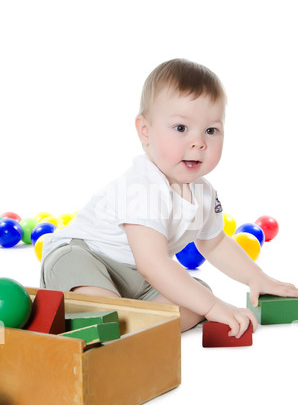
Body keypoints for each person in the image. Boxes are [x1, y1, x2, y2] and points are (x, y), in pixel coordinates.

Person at [40, 58, 298, 336]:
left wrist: (256, 278)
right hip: (85, 257)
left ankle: (130, 324)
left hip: (139, 279)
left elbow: (216, 244)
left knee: (198, 294)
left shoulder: (204, 193)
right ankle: (110, 321)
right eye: (181, 128)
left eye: (211, 130)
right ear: (145, 131)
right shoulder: (142, 186)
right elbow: (153, 263)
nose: (198, 142)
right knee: (104, 308)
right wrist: (214, 307)